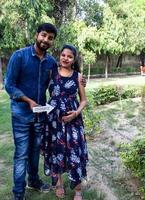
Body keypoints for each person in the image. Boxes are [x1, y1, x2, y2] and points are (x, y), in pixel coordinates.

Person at [5, 23, 58, 200]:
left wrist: (79, 80)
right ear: (37, 35)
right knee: (21, 154)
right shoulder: (19, 56)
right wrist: (28, 101)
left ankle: (33, 181)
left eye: (50, 38)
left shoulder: (51, 62)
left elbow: (55, 85)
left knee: (36, 150)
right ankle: (18, 194)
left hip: (40, 115)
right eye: (43, 35)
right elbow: (9, 85)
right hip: (21, 114)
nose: (46, 40)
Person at [41, 44, 88, 200]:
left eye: (69, 56)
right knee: (56, 151)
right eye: (63, 55)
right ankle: (59, 184)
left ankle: (78, 190)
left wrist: (75, 113)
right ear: (59, 56)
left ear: (74, 59)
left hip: (73, 122)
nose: (66, 58)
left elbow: (83, 100)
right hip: (54, 121)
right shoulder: (50, 73)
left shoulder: (78, 77)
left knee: (75, 152)